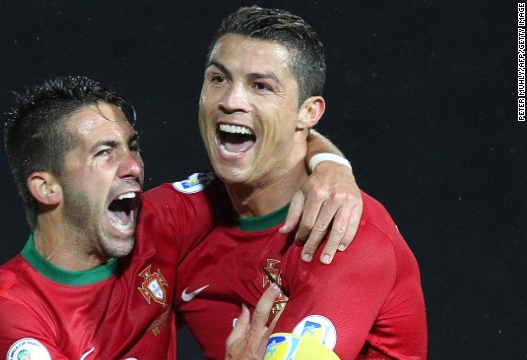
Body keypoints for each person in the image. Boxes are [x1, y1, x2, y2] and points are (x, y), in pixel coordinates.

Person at [0, 76, 361, 359]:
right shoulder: (2, 312)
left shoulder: (157, 224)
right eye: (104, 153)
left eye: (131, 147)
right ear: (47, 188)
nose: (132, 165)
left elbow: (271, 162)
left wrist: (329, 164)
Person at [175, 6, 427, 360]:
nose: (231, 101)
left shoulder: (346, 234)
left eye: (261, 86)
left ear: (309, 113)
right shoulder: (179, 221)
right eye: (218, 79)